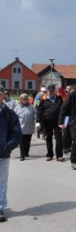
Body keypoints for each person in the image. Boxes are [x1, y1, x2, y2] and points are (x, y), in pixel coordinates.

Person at [0, 85, 22, 222]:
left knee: (1, 182)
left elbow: (16, 134)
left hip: (2, 153)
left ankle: (0, 207)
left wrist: (9, 146)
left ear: (3, 95)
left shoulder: (9, 114)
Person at [36, 84, 64, 162]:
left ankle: (59, 155)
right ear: (47, 91)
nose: (51, 92)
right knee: (49, 138)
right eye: (49, 91)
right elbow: (39, 111)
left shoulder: (59, 99)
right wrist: (38, 121)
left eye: (52, 91)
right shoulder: (43, 100)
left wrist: (64, 120)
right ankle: (49, 154)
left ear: (55, 91)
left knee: (59, 139)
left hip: (57, 122)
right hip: (47, 122)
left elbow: (62, 110)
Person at [14, 93, 36, 161]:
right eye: (24, 99)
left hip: (29, 127)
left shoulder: (31, 107)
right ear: (21, 100)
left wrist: (36, 119)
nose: (25, 100)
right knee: (22, 142)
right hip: (21, 127)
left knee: (27, 141)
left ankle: (26, 152)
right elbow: (14, 117)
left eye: (27, 99)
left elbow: (35, 114)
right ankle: (22, 155)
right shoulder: (17, 107)